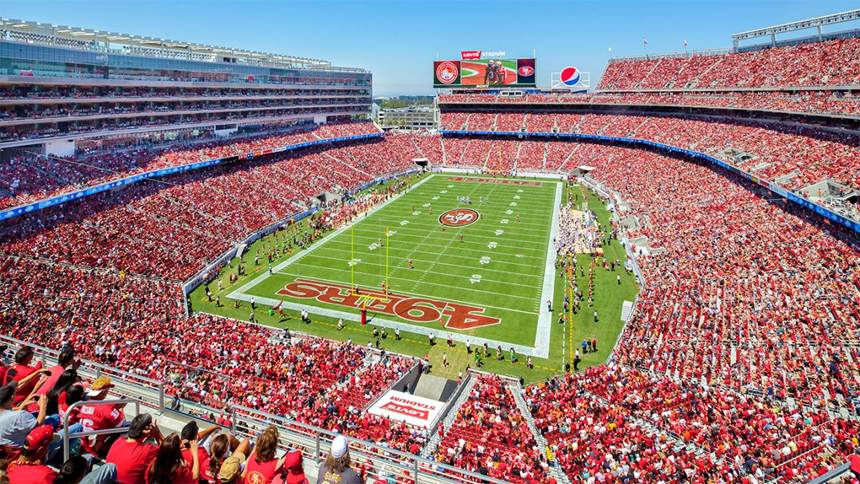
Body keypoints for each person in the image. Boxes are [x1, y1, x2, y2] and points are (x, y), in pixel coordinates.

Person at [105, 413, 162, 484]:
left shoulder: (118, 441)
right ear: (146, 431)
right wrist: (157, 433)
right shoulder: (147, 450)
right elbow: (168, 450)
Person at [0, 382, 47, 449]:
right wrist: (43, 406)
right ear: (12, 397)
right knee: (55, 418)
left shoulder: (11, 414)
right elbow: (38, 426)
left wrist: (22, 406)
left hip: (7, 449)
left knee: (35, 414)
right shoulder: (19, 415)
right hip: (24, 449)